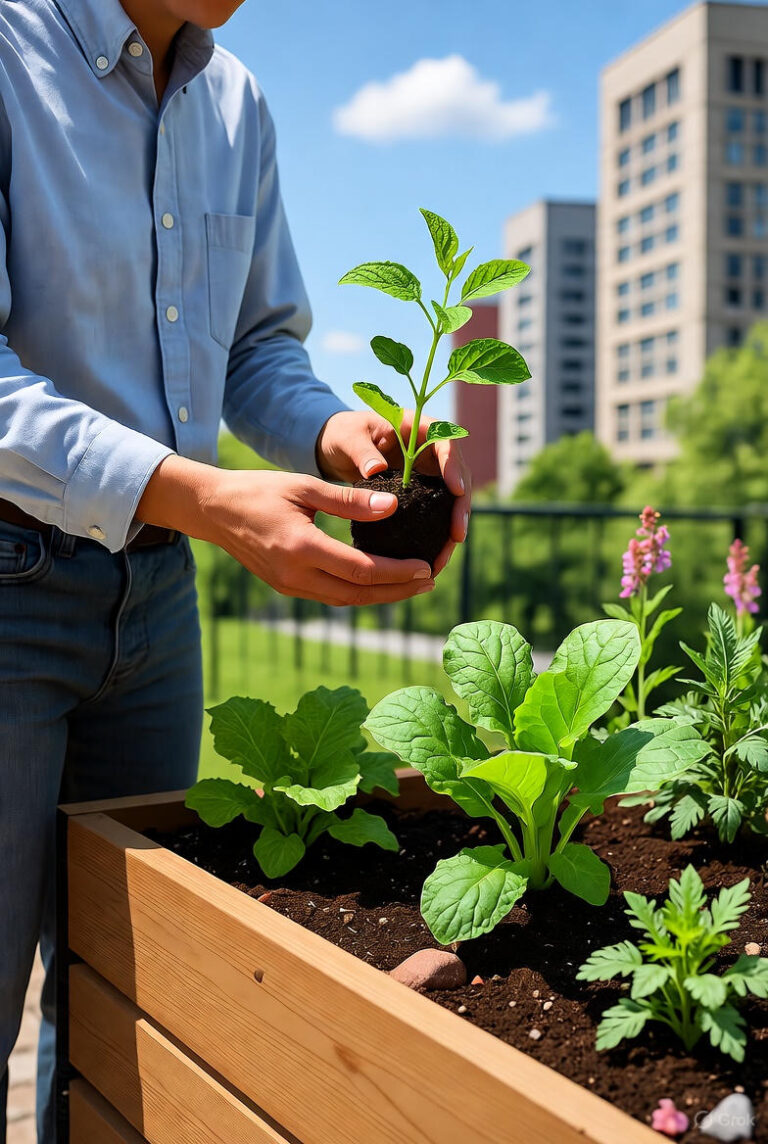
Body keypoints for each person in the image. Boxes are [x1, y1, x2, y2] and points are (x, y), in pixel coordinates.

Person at [0, 1, 471, 1139]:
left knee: (127, 1008)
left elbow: (256, 347)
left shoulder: (232, 101)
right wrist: (208, 496)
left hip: (159, 597)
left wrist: (337, 437)